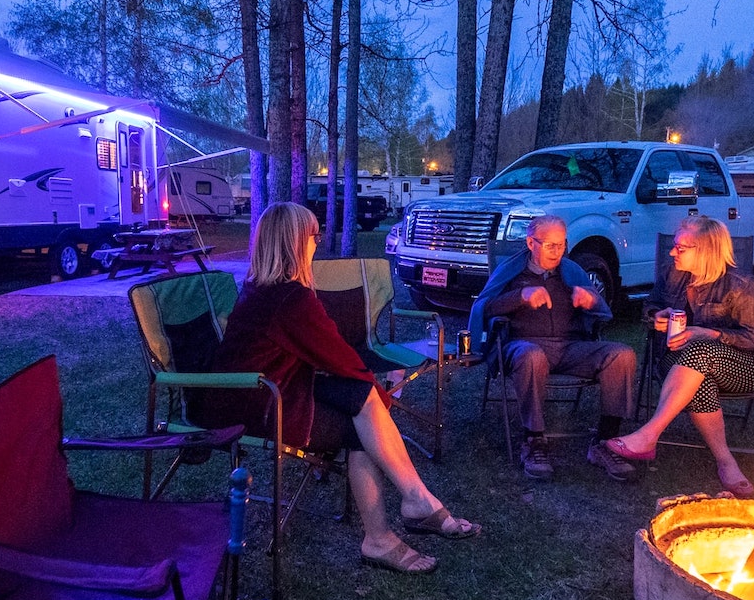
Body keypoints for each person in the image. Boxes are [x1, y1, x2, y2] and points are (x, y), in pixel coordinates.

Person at [193, 202, 479, 575]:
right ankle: (391, 526)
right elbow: (337, 356)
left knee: (363, 398)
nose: (317, 243)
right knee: (361, 422)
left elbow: (327, 356)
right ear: (295, 243)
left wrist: (370, 386)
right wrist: (378, 384)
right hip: (257, 403)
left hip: (262, 391)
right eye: (314, 236)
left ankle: (413, 504)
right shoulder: (289, 300)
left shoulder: (264, 290)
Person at [600, 215, 754, 497]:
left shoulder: (740, 285)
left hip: (742, 366)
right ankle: (725, 460)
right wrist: (657, 316)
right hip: (679, 365)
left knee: (699, 349)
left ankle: (648, 435)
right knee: (698, 373)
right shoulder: (673, 275)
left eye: (681, 248)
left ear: (706, 250)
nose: (672, 252)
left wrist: (710, 334)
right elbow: (651, 306)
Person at [467, 215, 639, 481]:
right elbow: (484, 308)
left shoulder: (571, 272)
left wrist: (591, 300)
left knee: (621, 355)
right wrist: (520, 297)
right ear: (530, 243)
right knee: (532, 355)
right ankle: (534, 441)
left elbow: (603, 314)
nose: (557, 252)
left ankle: (606, 442)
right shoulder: (513, 272)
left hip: (571, 347)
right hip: (523, 345)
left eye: (562, 245)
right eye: (550, 245)